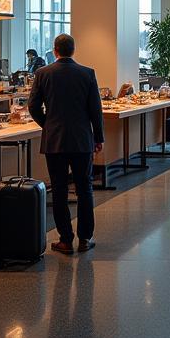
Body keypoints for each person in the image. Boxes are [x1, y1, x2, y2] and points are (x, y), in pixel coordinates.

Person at [28, 33, 104, 255]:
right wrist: (98, 137)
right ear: (73, 50)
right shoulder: (87, 74)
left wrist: (48, 125)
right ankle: (85, 238)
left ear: (55, 50)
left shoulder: (42, 73)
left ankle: (65, 239)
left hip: (55, 141)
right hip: (82, 140)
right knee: (85, 189)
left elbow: (33, 106)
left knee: (59, 190)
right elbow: (95, 110)